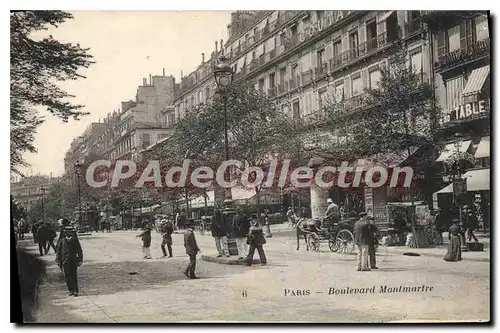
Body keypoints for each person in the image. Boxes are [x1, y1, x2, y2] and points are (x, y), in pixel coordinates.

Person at [56, 226, 83, 296]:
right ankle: (70, 290)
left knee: (74, 275)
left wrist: (80, 260)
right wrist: (58, 260)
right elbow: (58, 251)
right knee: (67, 276)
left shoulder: (75, 240)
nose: (68, 234)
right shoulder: (62, 241)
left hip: (73, 261)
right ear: (64, 234)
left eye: (70, 232)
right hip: (65, 261)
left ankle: (75, 290)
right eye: (67, 232)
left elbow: (79, 251)